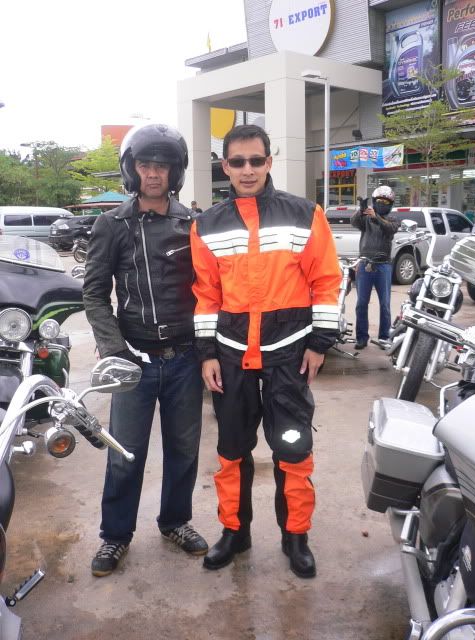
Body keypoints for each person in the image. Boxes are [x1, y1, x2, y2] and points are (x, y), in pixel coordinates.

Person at [190, 124, 342, 579]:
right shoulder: (206, 224)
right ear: (225, 166)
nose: (248, 170)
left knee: (293, 449)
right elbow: (206, 295)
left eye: (256, 160)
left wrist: (320, 344)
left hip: (288, 357)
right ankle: (235, 532)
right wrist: (207, 353)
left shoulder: (304, 214)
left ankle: (295, 536)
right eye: (238, 162)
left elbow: (326, 281)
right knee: (232, 450)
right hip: (232, 357)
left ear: (269, 162)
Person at [83, 123, 208, 577]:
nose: (153, 173)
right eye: (144, 164)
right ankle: (115, 535)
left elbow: (209, 290)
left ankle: (175, 521)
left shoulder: (191, 224)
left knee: (184, 449)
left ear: (175, 171)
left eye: (162, 165)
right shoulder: (111, 224)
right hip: (132, 361)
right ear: (131, 169)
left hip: (185, 359)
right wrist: (114, 349)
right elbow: (95, 293)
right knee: (125, 452)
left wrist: (209, 351)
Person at [351, 185, 400, 350]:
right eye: (379, 201)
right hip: (365, 264)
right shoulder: (366, 218)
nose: (382, 204)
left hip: (383, 265)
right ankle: (361, 338)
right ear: (374, 201)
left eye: (386, 202)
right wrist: (361, 210)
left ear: (390, 204)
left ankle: (384, 337)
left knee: (385, 304)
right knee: (361, 303)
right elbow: (354, 222)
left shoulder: (392, 220)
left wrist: (376, 217)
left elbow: (390, 228)